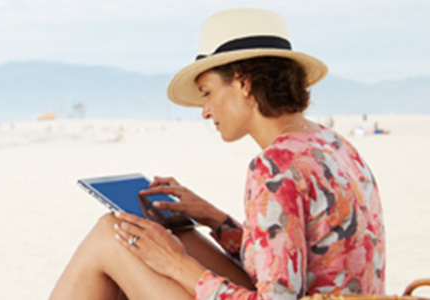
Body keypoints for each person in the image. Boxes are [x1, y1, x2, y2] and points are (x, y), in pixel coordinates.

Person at [50, 8, 385, 300]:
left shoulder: (275, 167)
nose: (205, 111)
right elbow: (292, 266)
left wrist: (178, 266)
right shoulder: (335, 145)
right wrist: (216, 220)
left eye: (207, 93)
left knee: (113, 235)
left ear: (243, 83)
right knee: (157, 232)